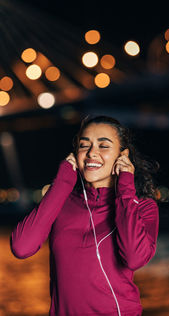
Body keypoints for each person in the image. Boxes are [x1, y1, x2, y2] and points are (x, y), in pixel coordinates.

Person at [11, 115, 159, 316]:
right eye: (84, 145)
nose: (91, 153)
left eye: (103, 146)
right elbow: (21, 247)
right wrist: (62, 182)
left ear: (122, 155)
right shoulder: (61, 201)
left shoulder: (142, 206)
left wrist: (125, 185)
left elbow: (134, 258)